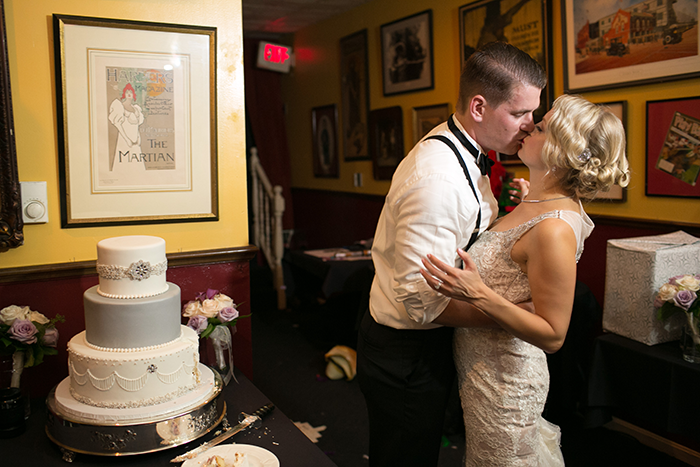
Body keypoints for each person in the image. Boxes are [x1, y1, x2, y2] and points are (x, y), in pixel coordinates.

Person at [356, 42, 547, 467]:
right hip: (405, 352)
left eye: (532, 113)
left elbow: (462, 237)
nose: (530, 126)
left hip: (427, 344)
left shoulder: (462, 152)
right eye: (520, 114)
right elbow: (421, 303)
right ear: (479, 107)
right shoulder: (437, 180)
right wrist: (514, 313)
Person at [420, 94, 630, 466]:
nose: (530, 126)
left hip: (507, 381)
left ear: (564, 151)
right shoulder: (538, 203)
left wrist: (479, 294)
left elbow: (553, 334)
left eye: (544, 127)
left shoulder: (553, 228)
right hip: (482, 371)